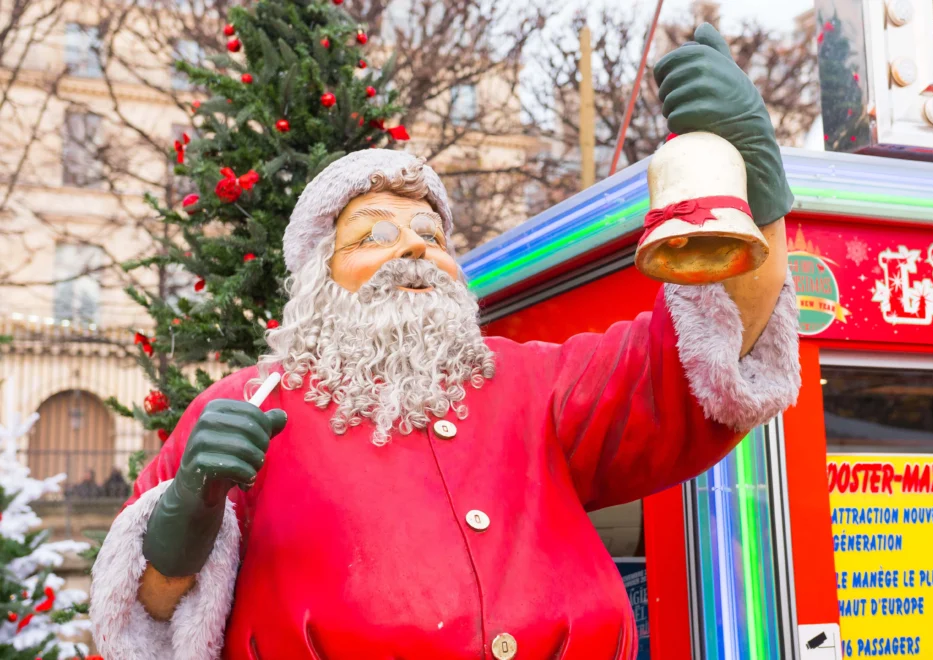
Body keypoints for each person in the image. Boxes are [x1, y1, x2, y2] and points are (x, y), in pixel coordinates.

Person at [90, 25, 801, 660]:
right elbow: (148, 617)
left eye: (431, 236)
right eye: (374, 234)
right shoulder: (249, 405)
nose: (414, 249)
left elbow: (695, 364)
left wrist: (752, 189)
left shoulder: (534, 384)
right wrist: (189, 511)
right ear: (317, 276)